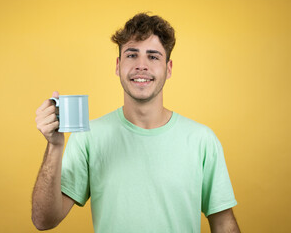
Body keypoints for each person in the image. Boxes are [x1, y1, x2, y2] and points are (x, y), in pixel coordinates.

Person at [32, 13, 240, 233]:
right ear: (118, 65)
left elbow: (223, 224)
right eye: (132, 55)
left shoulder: (202, 140)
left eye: (153, 57)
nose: (142, 66)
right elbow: (44, 220)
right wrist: (54, 146)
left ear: (168, 69)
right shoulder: (88, 137)